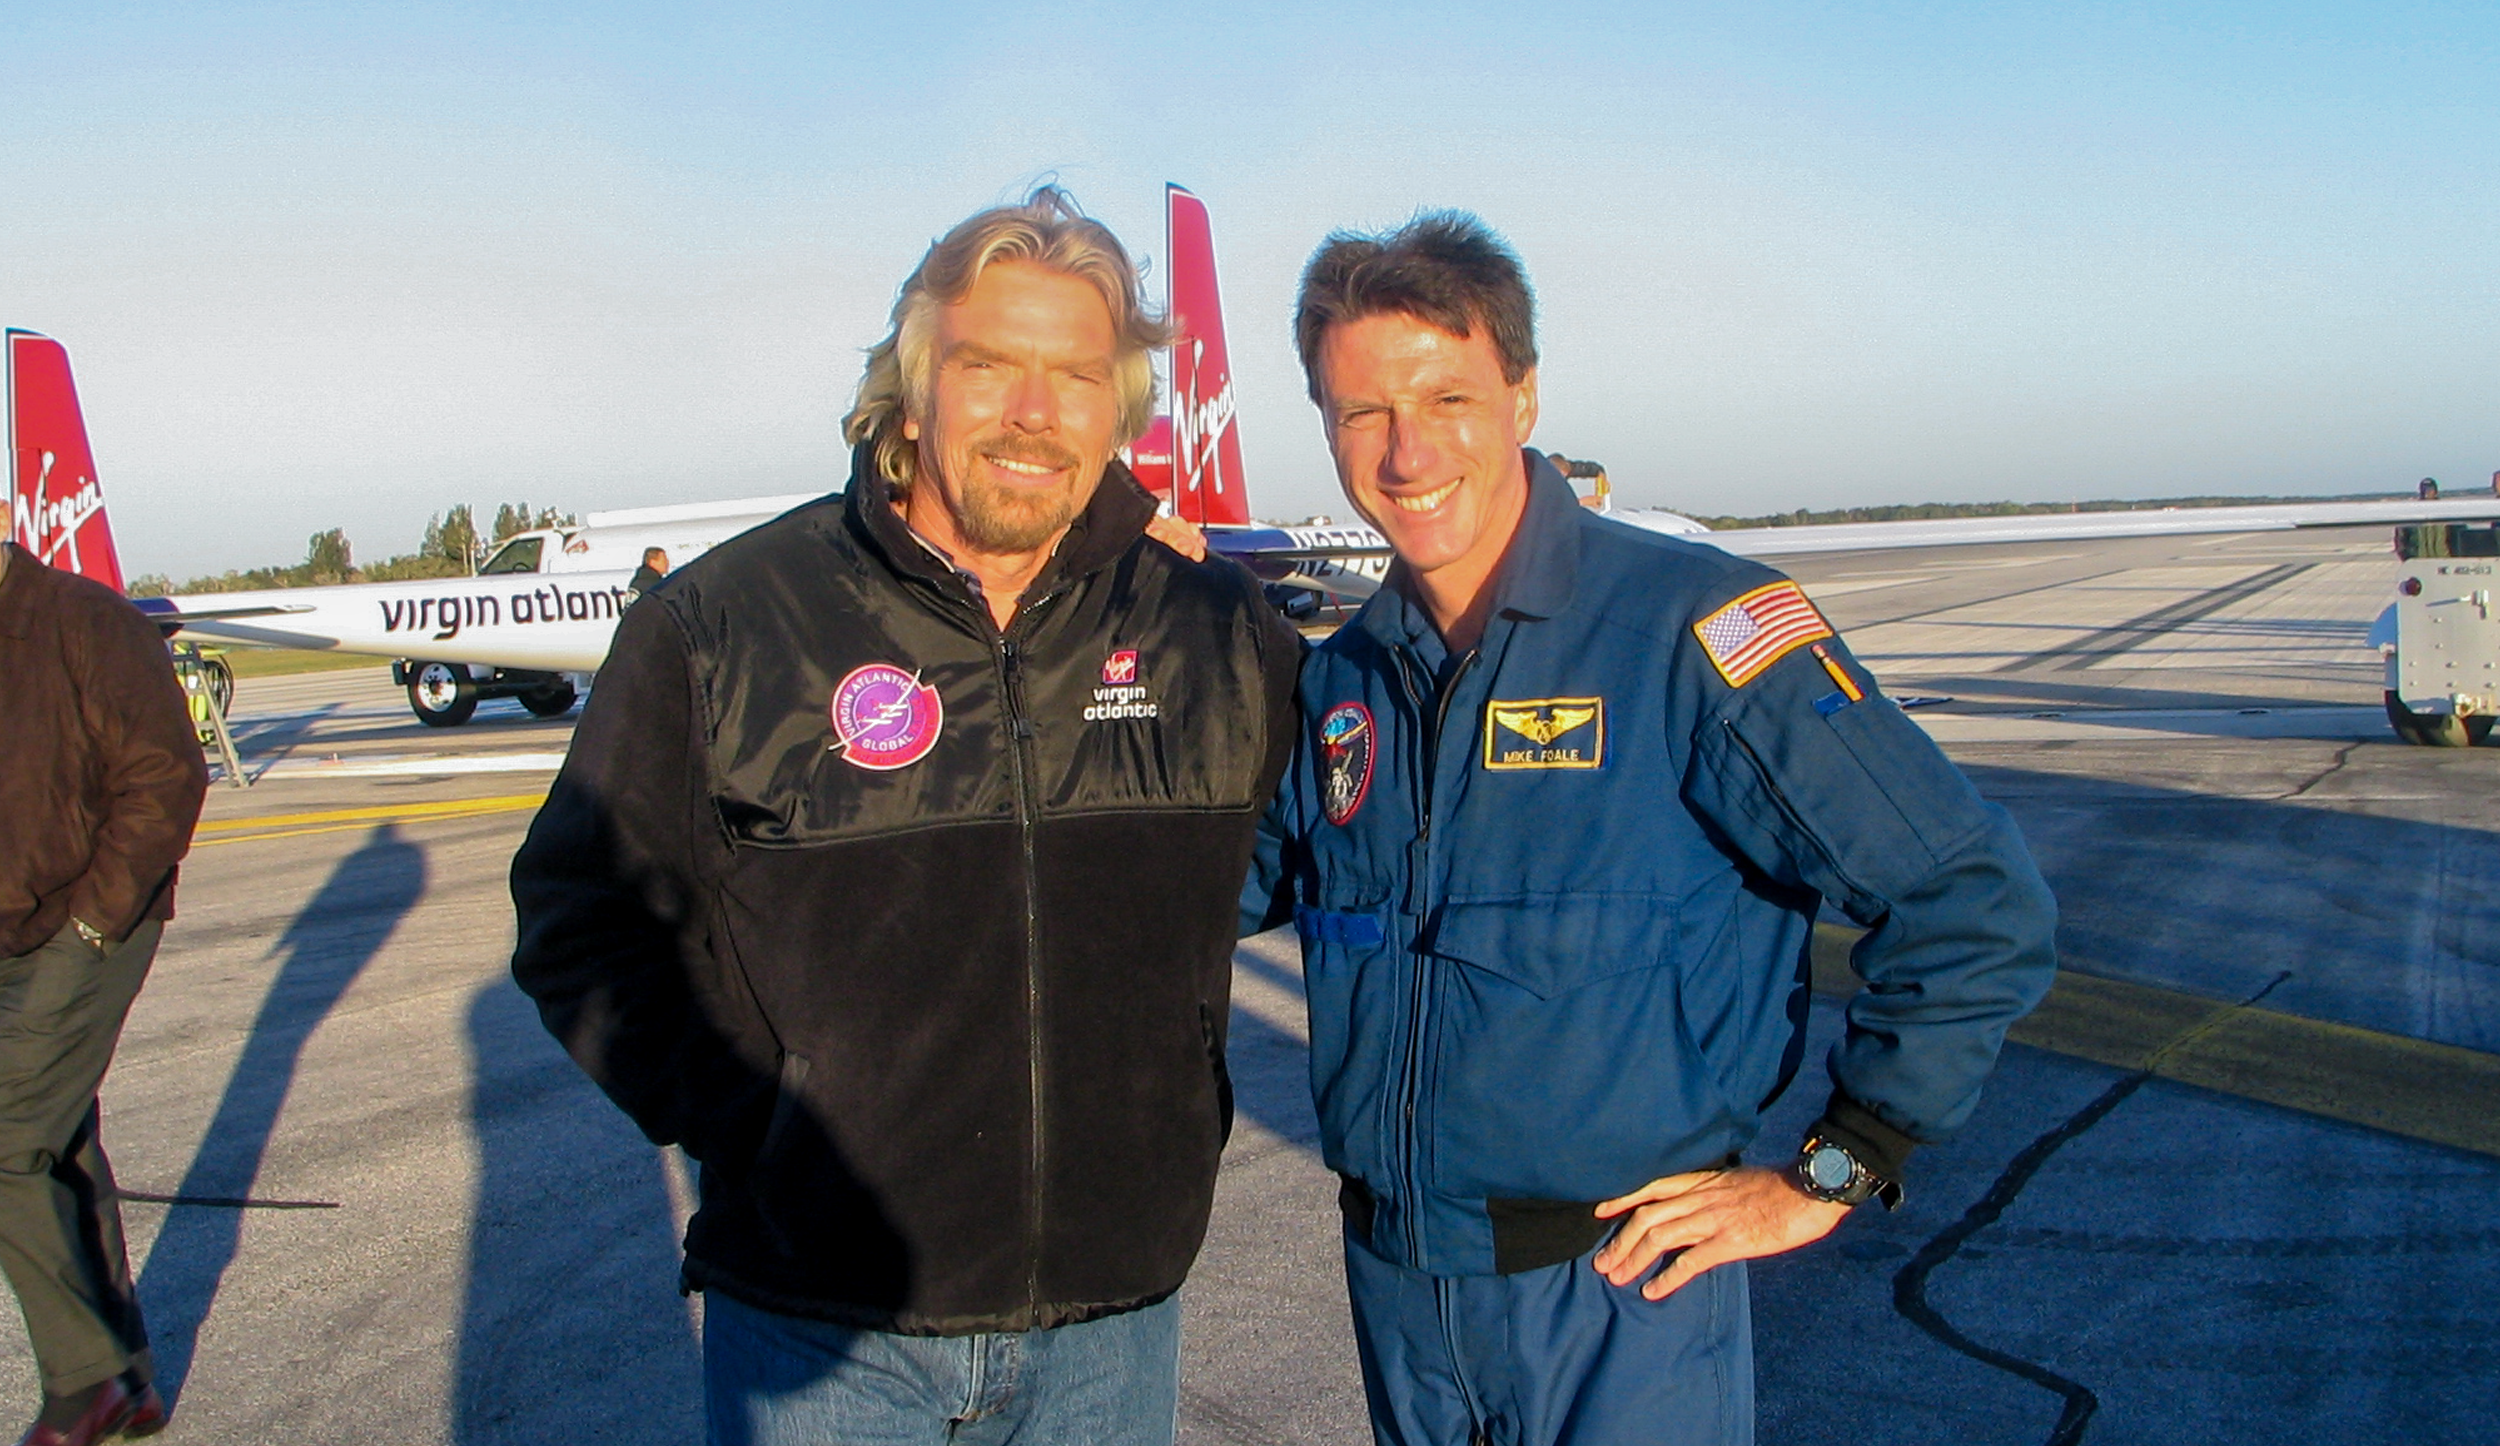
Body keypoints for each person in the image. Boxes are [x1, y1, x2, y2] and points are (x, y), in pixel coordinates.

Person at [1242, 213, 2056, 1446]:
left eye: (1446, 396)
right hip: (1401, 1298)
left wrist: (1829, 1172)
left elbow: (1971, 900)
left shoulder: (1691, 633)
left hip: (1620, 1299)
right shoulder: (1345, 678)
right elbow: (1194, 890)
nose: (1405, 453)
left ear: (1521, 396)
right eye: (1360, 411)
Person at [510, 189, 1301, 1446]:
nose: (1033, 416)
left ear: (1120, 410)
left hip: (1113, 1319)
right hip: (824, 1329)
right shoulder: (725, 624)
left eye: (1075, 377)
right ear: (916, 386)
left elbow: (1351, 852)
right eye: (989, 368)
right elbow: (580, 914)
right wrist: (765, 1127)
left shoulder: (1214, 632)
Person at [0, 502, 208, 1446]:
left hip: (92, 923)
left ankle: (84, 1385)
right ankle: (128, 1378)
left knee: (4, 1141)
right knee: (59, 1146)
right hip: (11, 930)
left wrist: (93, 923)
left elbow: (166, 776)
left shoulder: (87, 622)